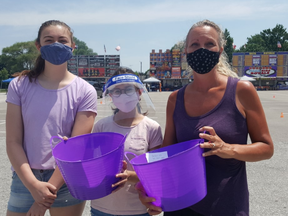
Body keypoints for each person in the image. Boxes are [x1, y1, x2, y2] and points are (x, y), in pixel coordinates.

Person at [137, 19, 274, 216]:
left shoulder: (241, 90)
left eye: (209, 44)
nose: (202, 49)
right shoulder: (176, 99)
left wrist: (227, 148)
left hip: (228, 206)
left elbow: (266, 148)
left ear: (220, 50)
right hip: (180, 206)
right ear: (186, 52)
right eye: (195, 44)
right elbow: (166, 158)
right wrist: (150, 192)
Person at [6, 20, 97, 216]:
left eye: (62, 40)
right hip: (26, 176)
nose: (56, 44)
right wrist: (32, 185)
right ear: (38, 46)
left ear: (73, 46)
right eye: (49, 40)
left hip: (66, 177)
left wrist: (44, 198)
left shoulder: (85, 91)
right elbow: (13, 141)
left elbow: (76, 146)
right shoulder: (19, 85)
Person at [90, 67, 163, 216]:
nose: (123, 95)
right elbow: (92, 165)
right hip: (101, 208)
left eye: (128, 89)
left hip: (137, 209)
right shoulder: (101, 126)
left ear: (139, 92)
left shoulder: (151, 128)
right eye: (117, 91)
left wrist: (128, 176)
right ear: (111, 95)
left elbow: (156, 172)